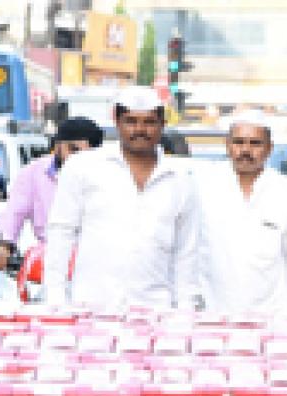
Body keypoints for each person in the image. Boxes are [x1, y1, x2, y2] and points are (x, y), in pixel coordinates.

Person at [44, 86, 202, 310]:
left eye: (149, 122)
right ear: (116, 121)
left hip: (157, 311)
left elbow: (186, 253)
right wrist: (55, 299)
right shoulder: (84, 167)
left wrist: (186, 309)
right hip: (92, 308)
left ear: (162, 123)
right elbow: (61, 232)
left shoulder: (181, 179)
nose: (140, 130)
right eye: (130, 121)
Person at [194, 110, 287, 316]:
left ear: (269, 148)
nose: (246, 150)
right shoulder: (204, 187)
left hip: (272, 320)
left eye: (255, 143)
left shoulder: (286, 192)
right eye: (239, 142)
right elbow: (189, 253)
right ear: (228, 145)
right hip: (215, 316)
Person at [0, 117, 104, 271]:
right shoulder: (33, 172)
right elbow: (14, 212)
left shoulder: (108, 175)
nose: (80, 159)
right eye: (74, 150)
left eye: (88, 154)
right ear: (58, 146)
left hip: (96, 261)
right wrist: (4, 246)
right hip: (48, 259)